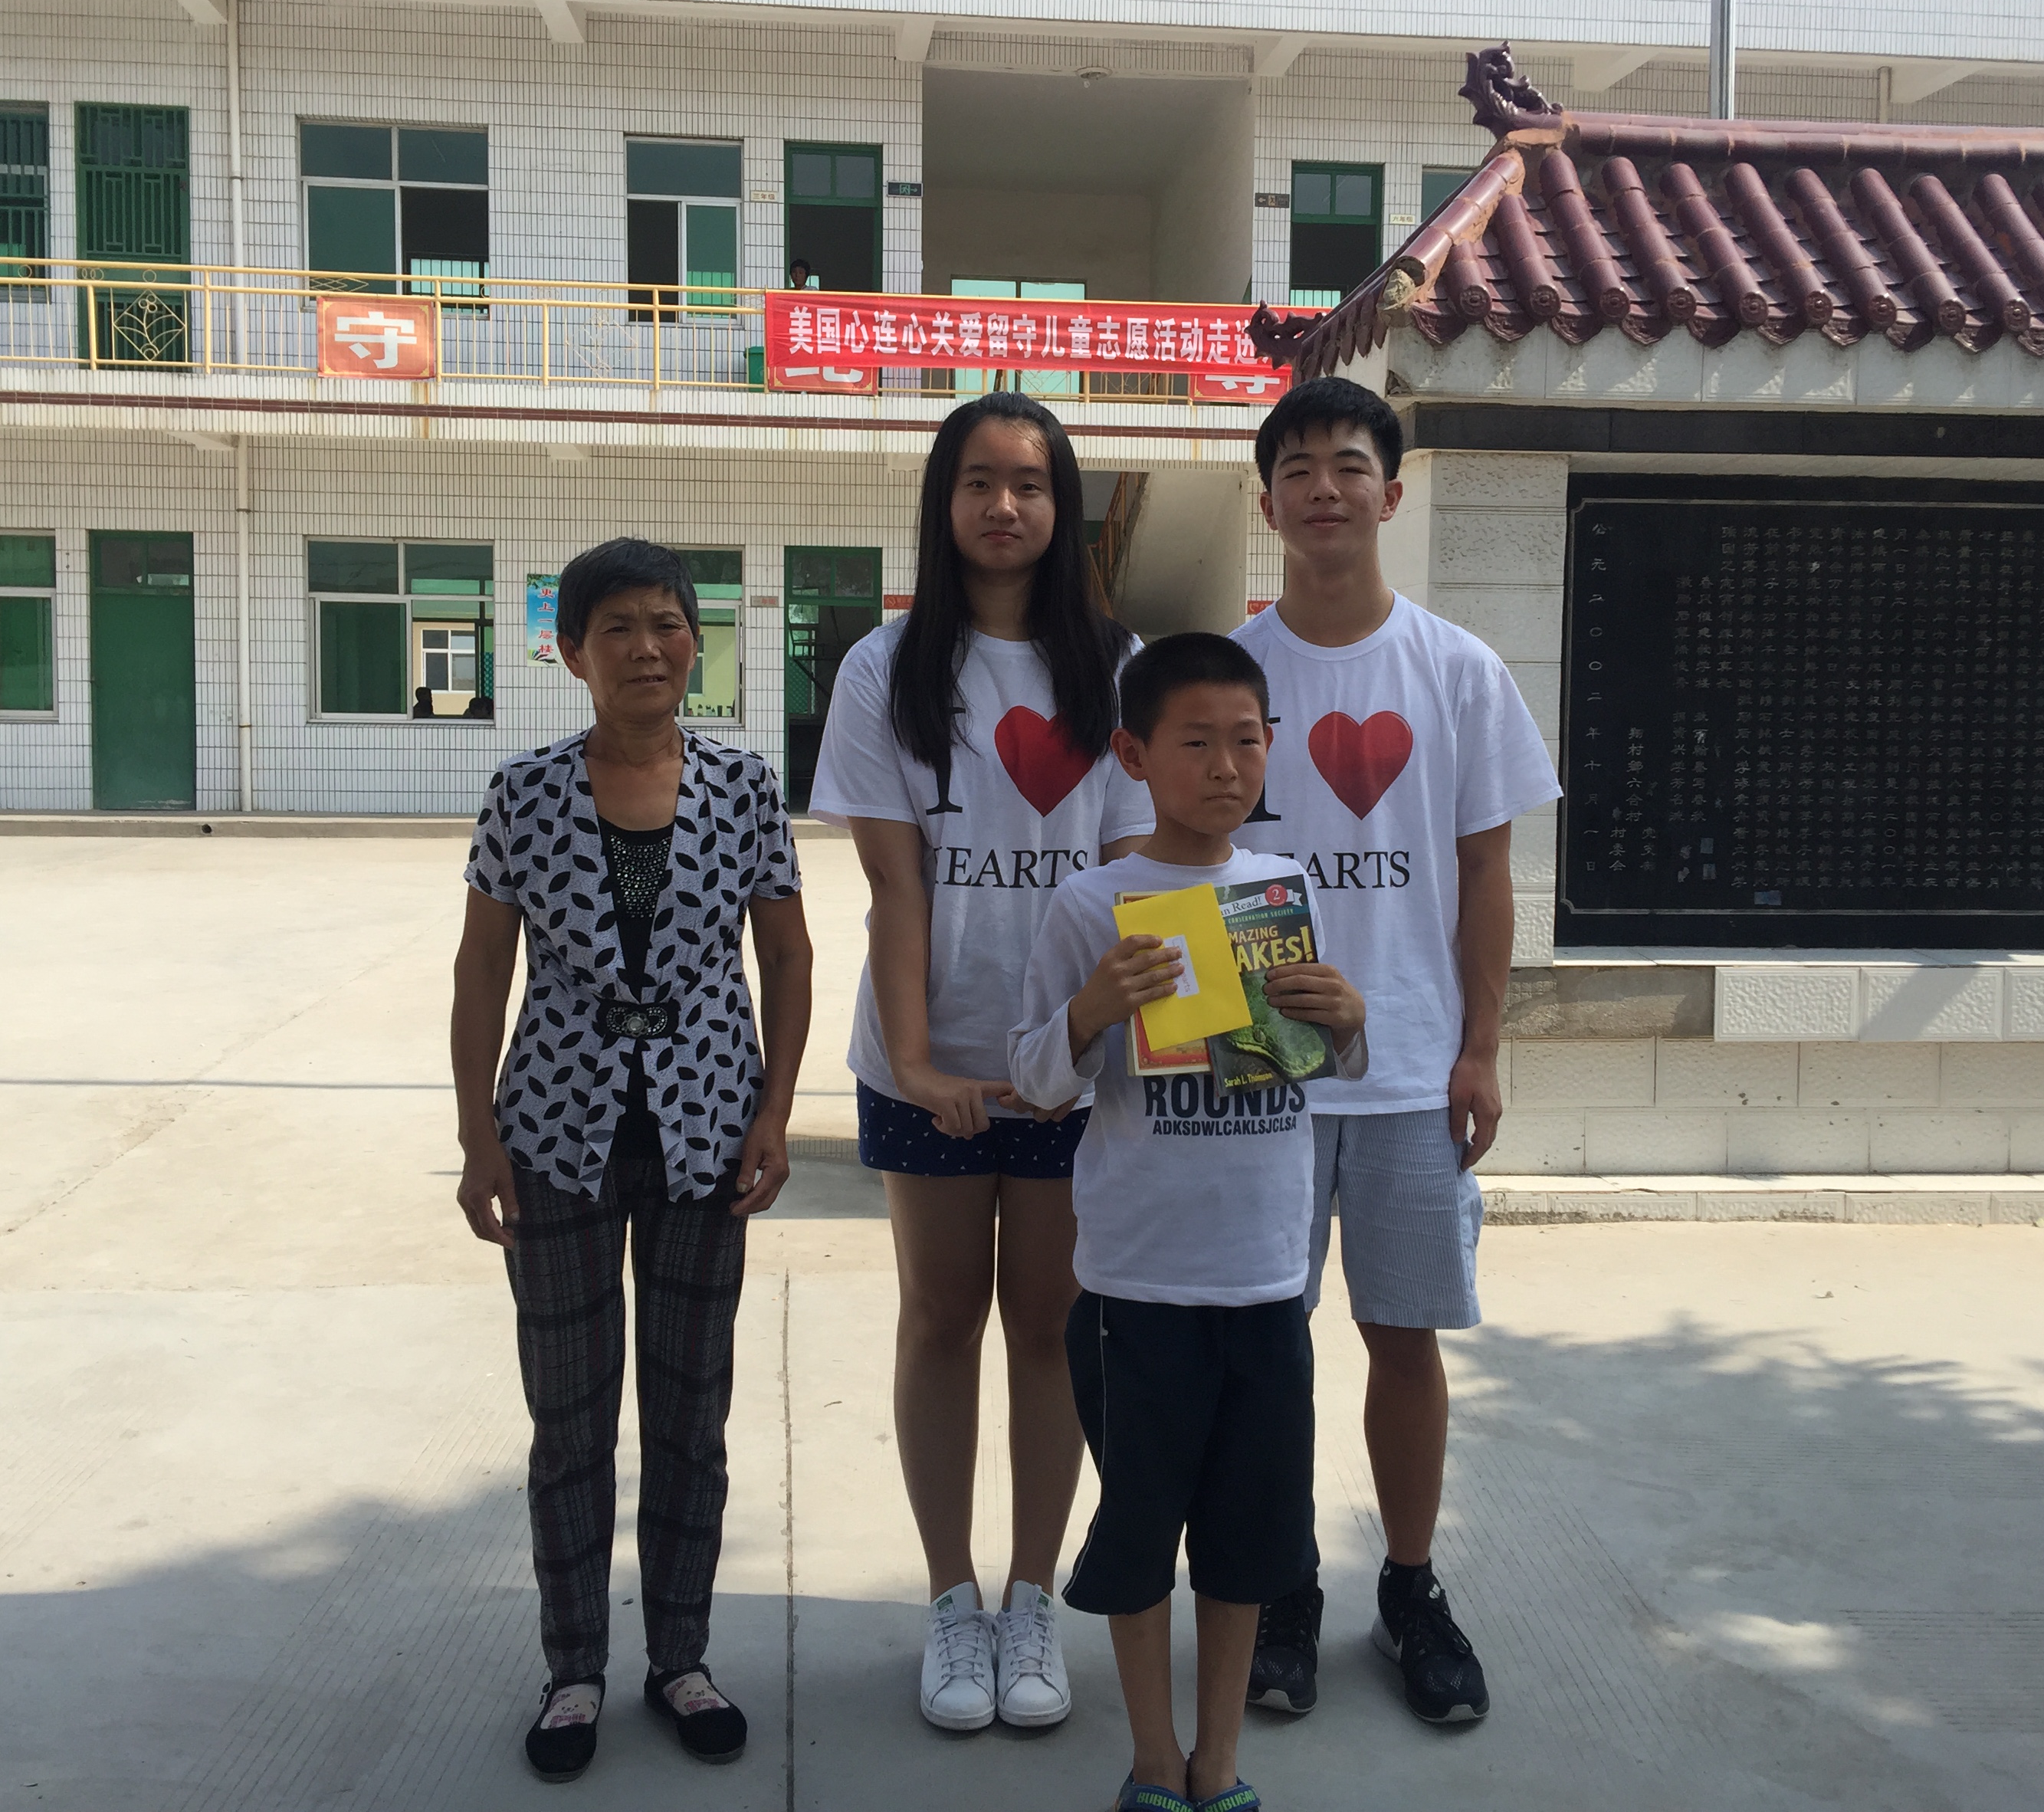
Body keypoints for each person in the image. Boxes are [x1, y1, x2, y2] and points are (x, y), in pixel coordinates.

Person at [808, 391, 1151, 1732]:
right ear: (942, 501)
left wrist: (1093, 1044)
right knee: (941, 1318)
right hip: (932, 1061)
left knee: (1053, 1327)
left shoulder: (1115, 667)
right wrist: (915, 1061)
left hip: (1070, 1061)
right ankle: (952, 1599)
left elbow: (1132, 880)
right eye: (978, 482)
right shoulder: (885, 667)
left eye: (1031, 483)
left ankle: (1031, 1599)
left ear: (1065, 506)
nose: (1004, 506)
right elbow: (896, 887)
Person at [451, 538, 814, 1781]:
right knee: (569, 1417)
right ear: (571, 652)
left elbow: (789, 955)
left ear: (695, 644)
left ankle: (680, 1659)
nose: (647, 648)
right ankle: (573, 1672)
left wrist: (776, 1112)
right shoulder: (523, 793)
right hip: (555, 1131)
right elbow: (482, 969)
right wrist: (477, 1134)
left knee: (691, 1414)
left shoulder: (745, 788)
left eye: (667, 624)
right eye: (618, 628)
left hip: (708, 1129)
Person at [1229, 376, 1560, 1725]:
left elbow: (1486, 876)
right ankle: (1283, 1586)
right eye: (1297, 468)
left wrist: (1481, 1048)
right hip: (1261, 1071)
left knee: (1403, 1337)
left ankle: (1411, 1589)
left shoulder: (1457, 670)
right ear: (1266, 504)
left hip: (1414, 1069)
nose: (1324, 488)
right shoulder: (1228, 673)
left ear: (1391, 492)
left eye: (1348, 465)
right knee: (1266, 1346)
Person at [1009, 632, 1366, 1812]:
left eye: (1247, 741)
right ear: (1133, 755)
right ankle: (1153, 1760)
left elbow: (1326, 1065)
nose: (1225, 767)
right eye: (1196, 742)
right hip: (1138, 1286)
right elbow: (1037, 1081)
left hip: (1265, 1278)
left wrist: (1349, 1020)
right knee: (1139, 1530)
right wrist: (1090, 1009)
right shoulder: (1094, 903)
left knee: (1248, 1536)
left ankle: (1220, 1760)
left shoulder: (1284, 890)